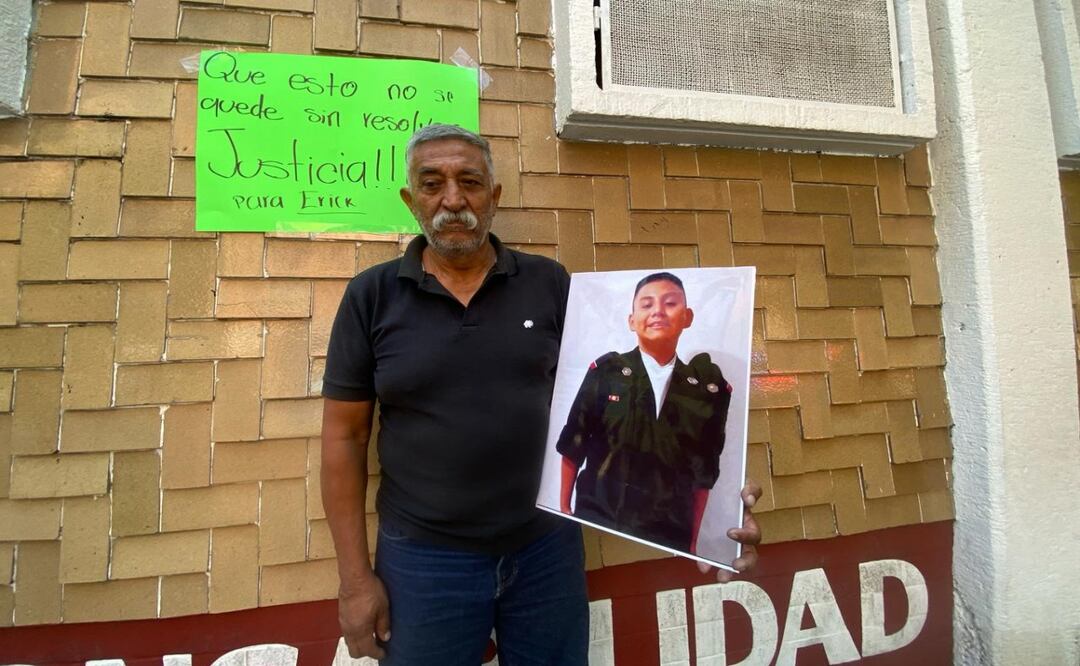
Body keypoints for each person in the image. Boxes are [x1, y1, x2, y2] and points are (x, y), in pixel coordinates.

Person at [320, 124, 761, 665]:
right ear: (411, 200)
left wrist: (710, 529)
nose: (452, 199)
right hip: (424, 560)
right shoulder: (371, 297)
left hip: (545, 551)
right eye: (432, 184)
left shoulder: (549, 284)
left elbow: (608, 418)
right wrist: (353, 579)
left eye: (470, 182)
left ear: (494, 197)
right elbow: (345, 436)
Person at [557, 272, 732, 556]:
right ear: (632, 320)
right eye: (647, 304)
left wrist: (692, 541)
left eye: (670, 303)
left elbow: (704, 471)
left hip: (668, 530)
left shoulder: (705, 389)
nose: (658, 312)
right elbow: (574, 442)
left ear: (687, 317)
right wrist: (565, 509)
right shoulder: (606, 372)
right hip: (599, 517)